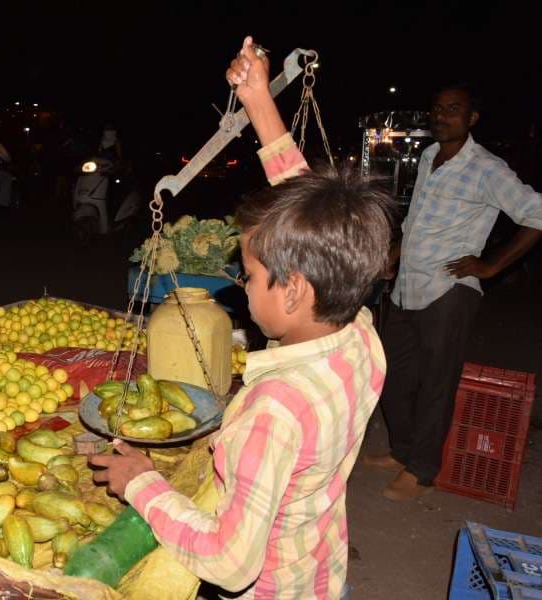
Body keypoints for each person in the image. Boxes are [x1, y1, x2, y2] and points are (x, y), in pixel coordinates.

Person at [89, 37, 392, 598]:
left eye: (249, 275)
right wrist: (258, 102)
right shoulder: (359, 335)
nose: (242, 287)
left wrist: (143, 485)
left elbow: (231, 563)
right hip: (320, 575)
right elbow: (312, 218)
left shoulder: (273, 410)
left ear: (296, 289)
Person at [364, 84, 542, 500]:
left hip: (448, 290)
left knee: (435, 383)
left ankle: (422, 470)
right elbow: (419, 217)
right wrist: (396, 250)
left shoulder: (487, 169)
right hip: (407, 285)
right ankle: (402, 451)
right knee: (393, 374)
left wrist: (492, 265)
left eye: (454, 109)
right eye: (438, 108)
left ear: (472, 118)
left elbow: (536, 213)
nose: (442, 115)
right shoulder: (430, 156)